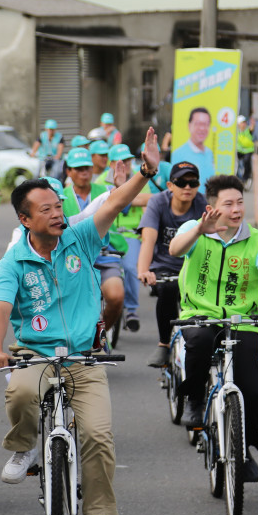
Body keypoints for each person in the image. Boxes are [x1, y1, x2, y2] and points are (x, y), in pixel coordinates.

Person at [0, 128, 162, 515]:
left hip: (85, 357)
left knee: (98, 436)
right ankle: (26, 445)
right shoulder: (14, 262)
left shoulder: (80, 238)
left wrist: (145, 171)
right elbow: (1, 306)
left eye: (58, 205)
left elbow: (114, 203)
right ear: (25, 219)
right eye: (45, 209)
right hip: (35, 355)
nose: (56, 213)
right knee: (22, 395)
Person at [168, 174, 258, 483]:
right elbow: (176, 249)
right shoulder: (195, 229)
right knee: (201, 342)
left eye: (240, 203)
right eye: (228, 203)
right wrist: (199, 232)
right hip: (200, 316)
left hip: (244, 321)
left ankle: (243, 448)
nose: (236, 210)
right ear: (212, 207)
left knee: (255, 392)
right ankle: (193, 398)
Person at [136, 161, 207, 368]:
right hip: (164, 267)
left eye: (192, 183)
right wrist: (144, 270)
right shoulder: (158, 203)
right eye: (181, 182)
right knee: (167, 290)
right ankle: (164, 344)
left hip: (194, 266)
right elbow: (148, 241)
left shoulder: (202, 206)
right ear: (170, 185)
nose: (187, 187)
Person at [64, 148, 124, 332]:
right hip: (74, 259)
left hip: (105, 255)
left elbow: (123, 198)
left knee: (116, 296)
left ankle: (102, 333)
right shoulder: (59, 196)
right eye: (79, 168)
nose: (84, 172)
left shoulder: (105, 190)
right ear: (69, 172)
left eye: (87, 168)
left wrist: (122, 188)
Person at [97, 144, 152, 333]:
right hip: (105, 234)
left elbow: (149, 200)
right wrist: (129, 197)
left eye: (128, 160)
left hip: (129, 234)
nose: (127, 164)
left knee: (130, 268)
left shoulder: (141, 177)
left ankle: (131, 310)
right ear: (111, 163)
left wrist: (122, 196)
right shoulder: (99, 181)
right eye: (121, 160)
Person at [171, 107, 216, 186]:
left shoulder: (209, 153)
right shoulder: (178, 154)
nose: (202, 128)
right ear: (189, 125)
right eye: (198, 124)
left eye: (206, 124)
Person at [236, 114, 255, 185]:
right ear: (238, 124)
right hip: (239, 150)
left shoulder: (248, 130)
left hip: (248, 150)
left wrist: (252, 122)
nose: (243, 124)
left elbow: (252, 128)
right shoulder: (236, 131)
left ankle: (246, 177)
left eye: (244, 122)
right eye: (242, 123)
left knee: (247, 161)